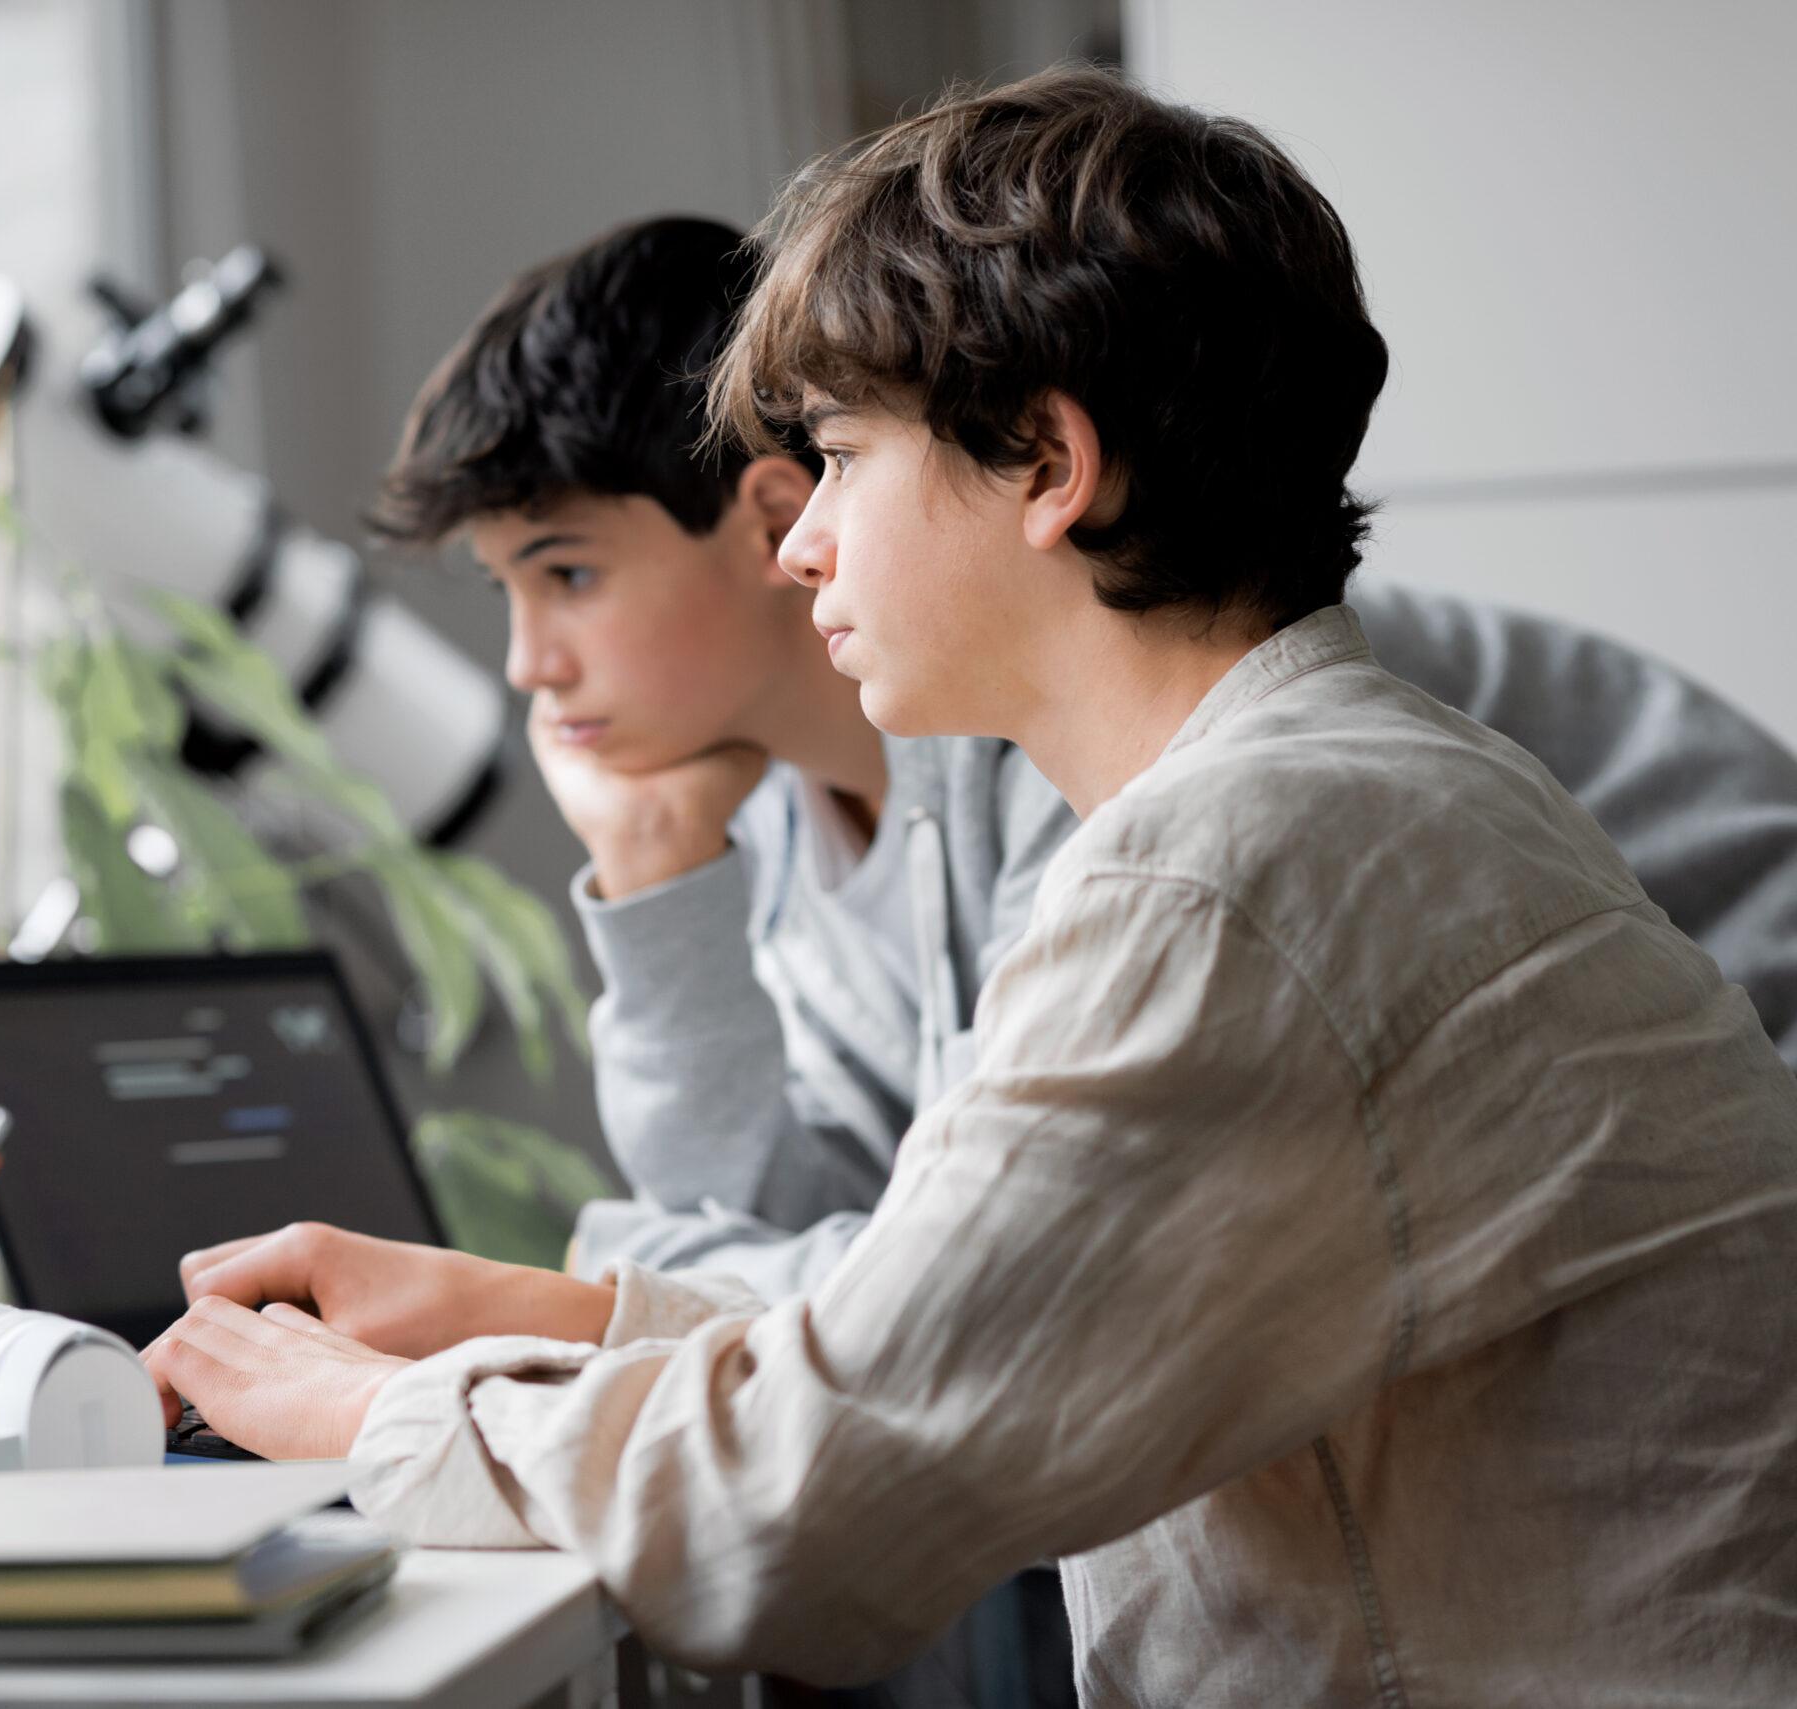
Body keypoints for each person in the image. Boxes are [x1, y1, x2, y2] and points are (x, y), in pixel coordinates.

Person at [145, 68, 1797, 1701]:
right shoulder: (1312, 793)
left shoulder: (1237, 869)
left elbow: (809, 1507)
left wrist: (364, 1412)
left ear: (1045, 465)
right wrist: (528, 1305)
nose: (798, 547)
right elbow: (948, 1309)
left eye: (844, 460)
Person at [369, 214, 1797, 1306]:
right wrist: (654, 872)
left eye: (562, 575)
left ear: (766, 518)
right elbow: (835, 1220)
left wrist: (602, 1294)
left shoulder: (1100, 694)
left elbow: (977, 1284)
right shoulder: (792, 803)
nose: (528, 666)